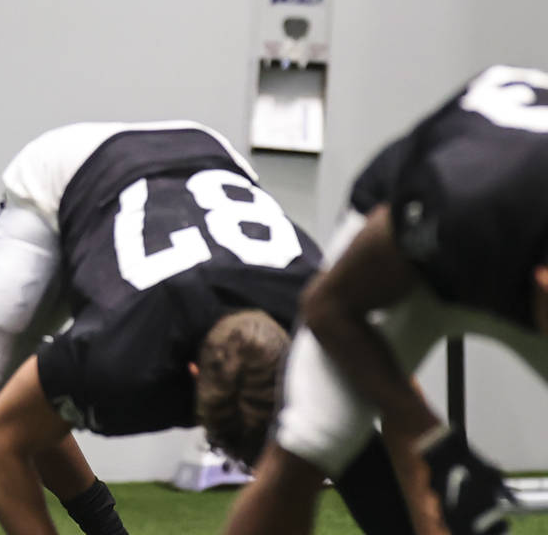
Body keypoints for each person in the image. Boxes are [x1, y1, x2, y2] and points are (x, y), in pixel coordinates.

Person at [0, 121, 419, 535]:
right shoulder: (124, 354)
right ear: (187, 379)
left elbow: (404, 425)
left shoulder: (332, 327)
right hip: (69, 177)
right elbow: (0, 441)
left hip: (206, 155)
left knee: (354, 451)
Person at [222, 64, 548, 535]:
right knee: (306, 447)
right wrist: (430, 437)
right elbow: (327, 307)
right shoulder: (458, 203)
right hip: (413, 263)